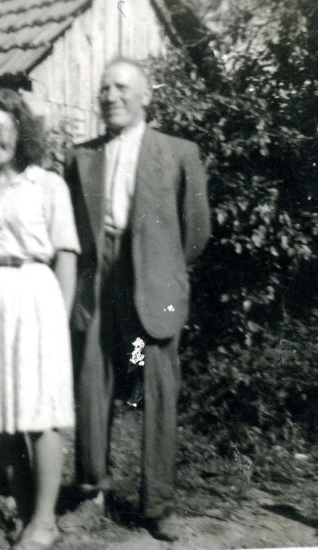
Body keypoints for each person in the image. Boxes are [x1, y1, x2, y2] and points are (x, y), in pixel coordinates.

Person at [60, 57, 211, 541]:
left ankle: (157, 503)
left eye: (122, 87)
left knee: (154, 386)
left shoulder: (179, 152)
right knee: (92, 381)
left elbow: (196, 232)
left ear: (146, 96)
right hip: (98, 282)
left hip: (152, 284)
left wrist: (162, 266)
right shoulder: (79, 157)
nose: (111, 96)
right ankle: (91, 491)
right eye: (104, 88)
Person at [0, 89, 80, 550]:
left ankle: (46, 521)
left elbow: (66, 255)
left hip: (35, 298)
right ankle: (26, 511)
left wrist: (59, 321)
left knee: (40, 413)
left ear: (20, 132)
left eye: (1, 131)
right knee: (3, 414)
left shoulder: (48, 185)